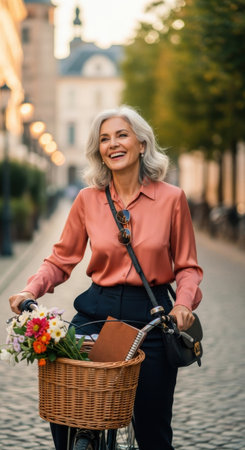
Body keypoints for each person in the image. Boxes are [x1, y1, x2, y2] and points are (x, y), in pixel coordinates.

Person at [9, 105, 203, 450]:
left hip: (153, 315)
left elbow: (188, 267)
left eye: (121, 135)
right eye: (104, 139)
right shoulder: (87, 200)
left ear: (142, 144)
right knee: (66, 410)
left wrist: (183, 305)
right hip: (98, 309)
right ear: (98, 150)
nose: (112, 144)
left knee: (153, 430)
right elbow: (61, 258)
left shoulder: (172, 199)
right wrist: (30, 288)